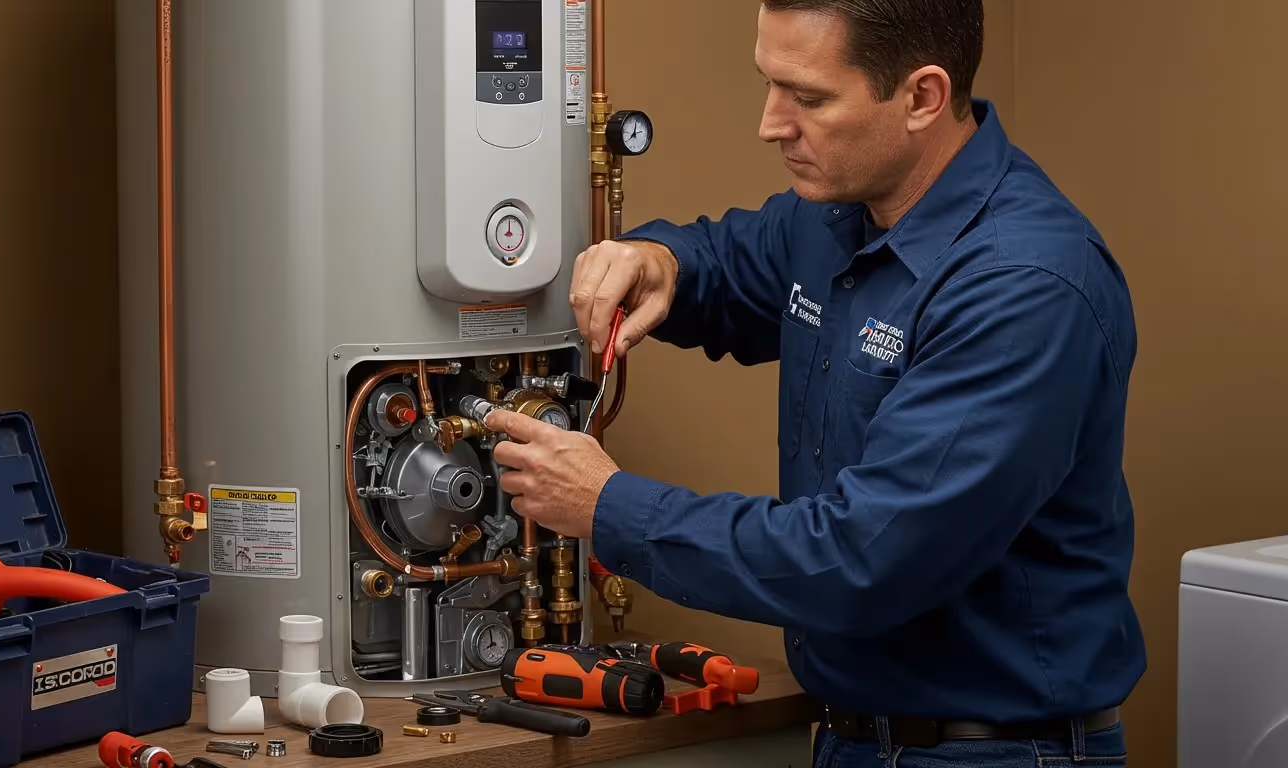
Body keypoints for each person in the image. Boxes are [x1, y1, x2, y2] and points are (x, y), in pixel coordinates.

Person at [484, 0, 1145, 765]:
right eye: (769, 84)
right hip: (851, 737)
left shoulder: (1024, 288)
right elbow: (727, 262)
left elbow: (866, 559)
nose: (771, 123)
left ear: (922, 97)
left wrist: (609, 506)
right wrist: (660, 260)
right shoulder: (840, 216)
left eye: (809, 97)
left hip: (990, 751)